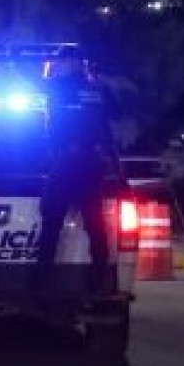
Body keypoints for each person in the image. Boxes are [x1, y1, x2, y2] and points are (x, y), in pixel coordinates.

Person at [33, 47, 111, 293]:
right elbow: (110, 117)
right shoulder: (95, 89)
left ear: (71, 62)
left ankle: (39, 283)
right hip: (90, 163)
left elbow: (36, 85)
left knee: (51, 222)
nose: (59, 67)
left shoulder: (59, 87)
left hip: (67, 163)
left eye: (62, 62)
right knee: (95, 225)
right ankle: (99, 281)